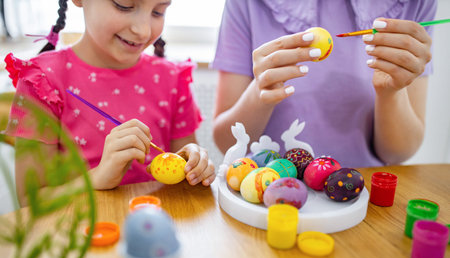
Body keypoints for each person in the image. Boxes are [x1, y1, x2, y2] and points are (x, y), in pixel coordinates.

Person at [4, 0, 216, 204]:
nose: (143, 30)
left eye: (158, 12)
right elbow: (30, 201)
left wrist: (194, 167)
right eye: (124, 5)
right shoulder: (41, 81)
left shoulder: (173, 79)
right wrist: (96, 178)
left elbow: (184, 171)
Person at [212, 0, 437, 167]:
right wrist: (260, 91)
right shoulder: (247, 4)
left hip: (360, 199)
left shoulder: (415, 4)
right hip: (265, 192)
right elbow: (225, 142)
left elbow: (398, 154)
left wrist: (391, 93)